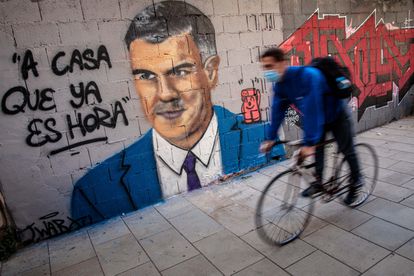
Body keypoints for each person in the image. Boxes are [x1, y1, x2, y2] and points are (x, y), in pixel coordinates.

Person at [70, 1, 284, 223]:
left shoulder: (262, 138)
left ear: (210, 72)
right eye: (145, 76)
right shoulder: (93, 193)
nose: (164, 94)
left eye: (180, 71)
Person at [259, 48, 363, 206]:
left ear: (282, 63)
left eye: (270, 66)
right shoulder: (280, 86)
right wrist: (270, 138)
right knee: (318, 150)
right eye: (265, 68)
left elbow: (312, 109)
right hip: (320, 119)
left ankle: (356, 181)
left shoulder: (307, 77)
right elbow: (277, 111)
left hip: (336, 114)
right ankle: (319, 183)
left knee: (346, 149)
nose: (267, 72)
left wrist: (309, 143)